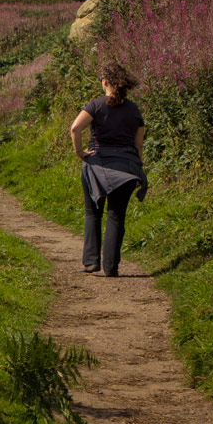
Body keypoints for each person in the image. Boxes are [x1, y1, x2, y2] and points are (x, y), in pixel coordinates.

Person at [69, 62, 147, 277]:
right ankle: (111, 267)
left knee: (92, 213)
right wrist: (137, 167)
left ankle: (91, 262)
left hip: (97, 164)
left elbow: (75, 128)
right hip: (126, 168)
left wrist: (80, 153)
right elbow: (139, 144)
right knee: (116, 215)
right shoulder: (134, 109)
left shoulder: (95, 105)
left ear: (105, 82)